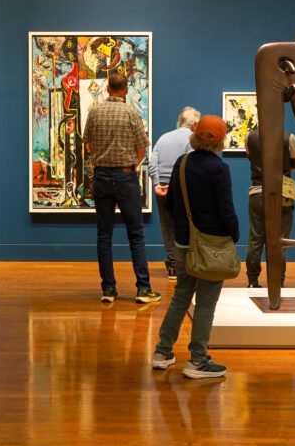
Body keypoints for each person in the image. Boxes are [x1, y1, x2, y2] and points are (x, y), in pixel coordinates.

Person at [152, 115, 238, 379]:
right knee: (205, 304)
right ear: (220, 141)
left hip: (183, 242)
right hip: (212, 245)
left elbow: (171, 203)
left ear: (195, 135)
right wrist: (234, 234)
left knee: (181, 296)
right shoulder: (219, 169)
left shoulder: (182, 162)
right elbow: (226, 210)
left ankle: (162, 352)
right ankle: (197, 361)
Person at [82, 71, 160, 304]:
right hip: (125, 177)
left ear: (107, 88)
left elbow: (88, 143)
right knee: (135, 234)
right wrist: (132, 165)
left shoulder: (94, 111)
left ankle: (108, 289)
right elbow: (142, 148)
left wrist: (101, 157)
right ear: (126, 90)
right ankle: (143, 289)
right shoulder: (132, 112)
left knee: (104, 235)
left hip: (101, 176)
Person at [245, 127, 295, 288]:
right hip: (281, 193)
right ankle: (278, 281)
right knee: (280, 240)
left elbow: (250, 157)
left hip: (257, 192)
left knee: (256, 238)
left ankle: (252, 281)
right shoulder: (289, 137)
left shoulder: (249, 136)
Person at [149, 107, 199, 281]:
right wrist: (176, 185)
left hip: (162, 188)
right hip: (183, 188)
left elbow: (152, 164)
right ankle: (187, 265)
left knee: (167, 226)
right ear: (194, 124)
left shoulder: (163, 138)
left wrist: (157, 184)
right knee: (188, 225)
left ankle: (172, 266)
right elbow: (191, 165)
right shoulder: (193, 139)